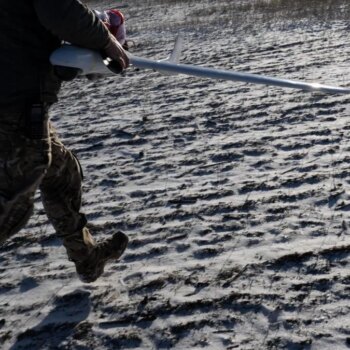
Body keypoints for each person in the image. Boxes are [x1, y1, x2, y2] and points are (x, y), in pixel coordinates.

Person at [0, 0, 130, 283]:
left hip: (20, 98)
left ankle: (87, 258)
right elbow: (57, 9)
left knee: (62, 173)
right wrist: (104, 39)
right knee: (13, 201)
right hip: (14, 105)